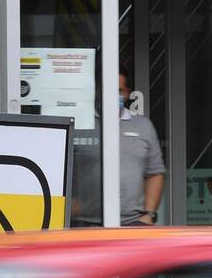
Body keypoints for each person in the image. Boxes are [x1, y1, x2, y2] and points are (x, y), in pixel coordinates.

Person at [70, 72, 166, 226]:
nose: (113, 95)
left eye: (119, 91)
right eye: (107, 89)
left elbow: (155, 173)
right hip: (83, 225)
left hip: (133, 225)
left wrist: (149, 215)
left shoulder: (143, 126)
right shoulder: (80, 124)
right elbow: (58, 171)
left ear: (127, 93)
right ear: (97, 91)